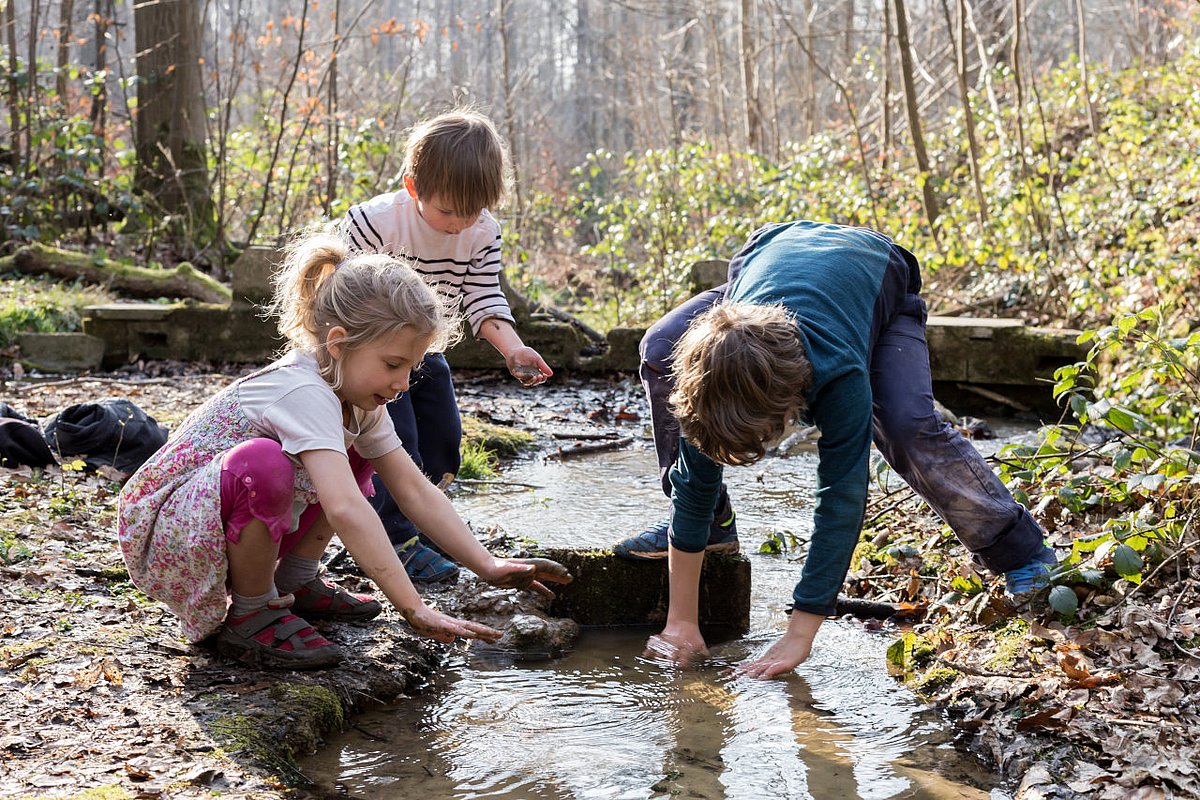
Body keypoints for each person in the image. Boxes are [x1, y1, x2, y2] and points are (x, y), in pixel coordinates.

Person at [612, 220, 1057, 679]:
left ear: (793, 408)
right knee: (662, 344)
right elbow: (695, 469)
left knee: (907, 426)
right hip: (772, 254)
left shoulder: (839, 376)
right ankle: (715, 526)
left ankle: (1021, 552)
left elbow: (840, 501)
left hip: (879, 275)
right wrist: (680, 622)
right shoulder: (711, 379)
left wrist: (799, 633)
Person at [117, 234, 570, 669]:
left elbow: (412, 488)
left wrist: (486, 564)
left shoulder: (355, 395)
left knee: (353, 454)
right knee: (264, 465)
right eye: (393, 365)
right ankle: (251, 614)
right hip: (172, 536)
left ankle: (294, 579)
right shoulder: (303, 390)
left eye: (412, 367)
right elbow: (347, 508)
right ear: (337, 343)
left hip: (218, 527)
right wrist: (412, 607)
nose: (402, 383)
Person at [339, 109, 552, 584]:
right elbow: (343, 295)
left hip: (426, 353)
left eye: (471, 212)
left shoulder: (482, 232)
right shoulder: (374, 223)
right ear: (413, 188)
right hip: (371, 356)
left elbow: (482, 295)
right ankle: (396, 539)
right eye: (447, 211)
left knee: (442, 440)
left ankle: (427, 522)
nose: (458, 224)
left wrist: (513, 348)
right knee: (398, 442)